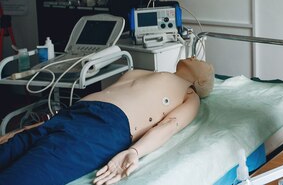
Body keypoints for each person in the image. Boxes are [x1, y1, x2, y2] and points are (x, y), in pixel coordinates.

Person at [0, 56, 214, 185]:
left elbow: (169, 126)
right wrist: (33, 126)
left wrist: (135, 151)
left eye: (202, 62)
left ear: (200, 81)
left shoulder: (189, 95)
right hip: (71, 114)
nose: (195, 57)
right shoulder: (148, 72)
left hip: (101, 130)